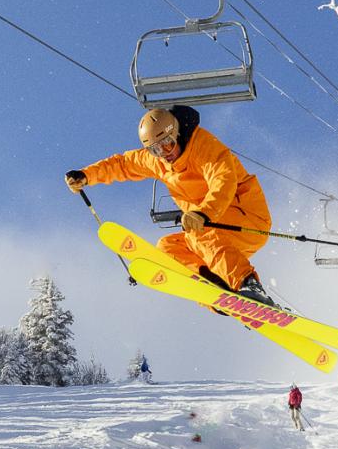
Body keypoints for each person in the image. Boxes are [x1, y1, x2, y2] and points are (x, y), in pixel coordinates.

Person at [67, 104, 276, 302]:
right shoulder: (158, 162)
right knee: (168, 248)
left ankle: (249, 285)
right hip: (215, 238)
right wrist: (86, 175)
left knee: (197, 233)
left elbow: (223, 181)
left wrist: (204, 213)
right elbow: (122, 164)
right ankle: (221, 294)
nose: (164, 154)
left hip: (247, 218)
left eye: (168, 144)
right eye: (155, 150)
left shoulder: (203, 146)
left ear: (176, 133)